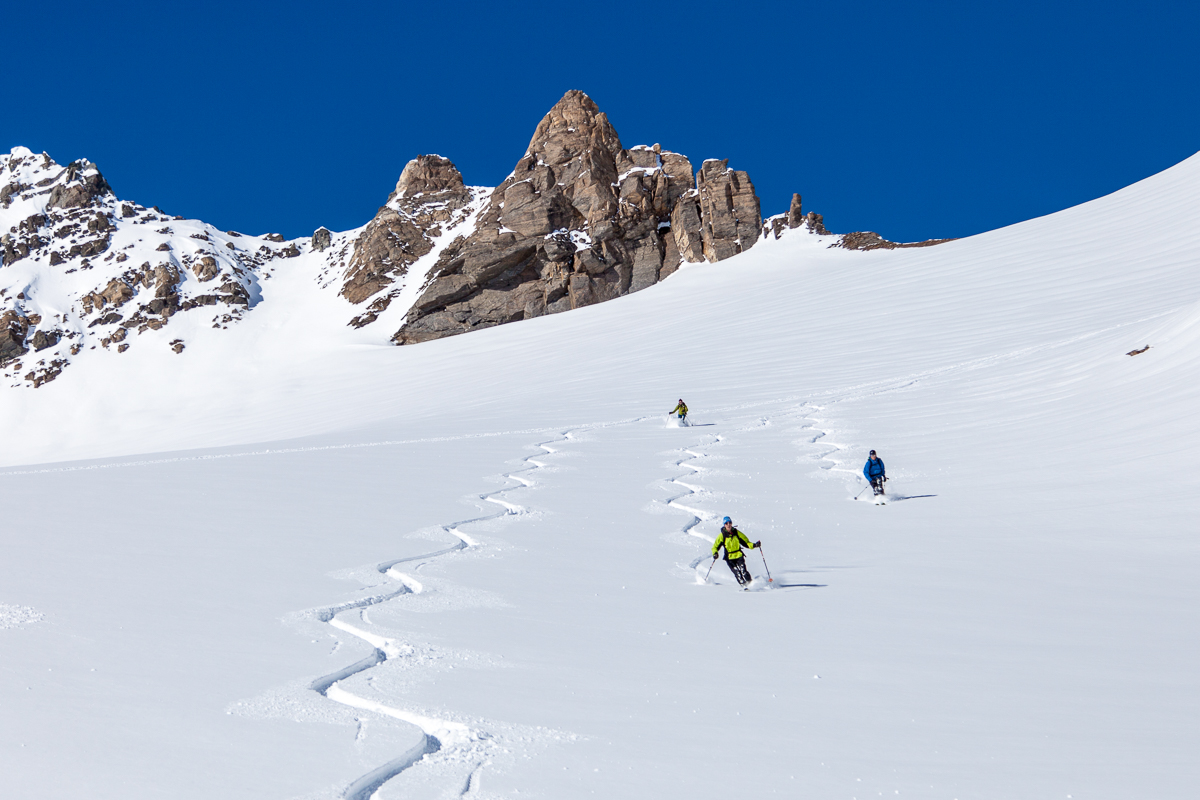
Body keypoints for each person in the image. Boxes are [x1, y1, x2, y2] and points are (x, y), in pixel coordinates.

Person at [711, 516, 761, 587]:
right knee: (737, 573)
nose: (728, 524)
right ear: (724, 525)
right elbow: (715, 547)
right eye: (726, 523)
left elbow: (746, 542)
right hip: (729, 558)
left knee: (743, 571)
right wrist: (715, 553)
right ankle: (744, 586)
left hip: (738, 555)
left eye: (730, 523)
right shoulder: (722, 536)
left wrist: (755, 545)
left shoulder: (736, 533)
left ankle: (751, 584)